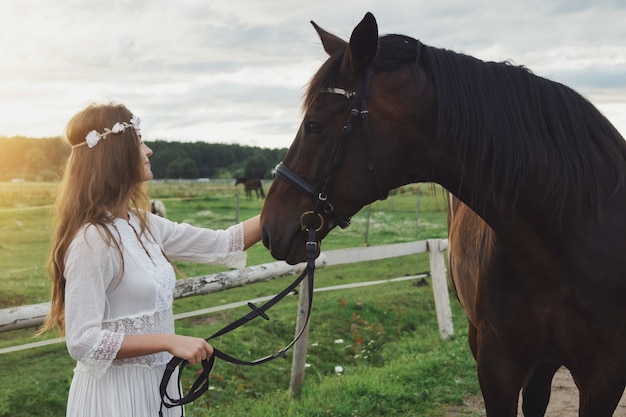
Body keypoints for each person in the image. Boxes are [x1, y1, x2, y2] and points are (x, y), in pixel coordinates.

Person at [37, 102, 262, 417]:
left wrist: (294, 204)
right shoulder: (91, 240)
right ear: (115, 154)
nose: (149, 150)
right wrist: (168, 341)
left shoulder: (144, 223)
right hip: (114, 397)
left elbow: (222, 243)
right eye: (139, 141)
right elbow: (83, 341)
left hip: (158, 388)